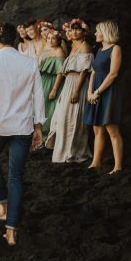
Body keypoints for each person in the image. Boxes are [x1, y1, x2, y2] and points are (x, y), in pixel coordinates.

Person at [0, 22, 45, 246]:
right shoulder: (29, 62)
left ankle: (2, 205)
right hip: (23, 126)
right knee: (16, 175)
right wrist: (39, 126)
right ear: (15, 39)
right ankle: (11, 230)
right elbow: (39, 96)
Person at [46, 19, 93, 162]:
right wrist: (64, 92)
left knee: (73, 118)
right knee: (62, 117)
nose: (74, 32)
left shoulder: (85, 47)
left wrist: (76, 91)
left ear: (84, 32)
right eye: (72, 30)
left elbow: (84, 72)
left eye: (78, 29)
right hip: (68, 84)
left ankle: (73, 152)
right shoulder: (73, 47)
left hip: (78, 84)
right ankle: (63, 150)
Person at [84, 20, 123, 173]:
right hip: (95, 91)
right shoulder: (100, 50)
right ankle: (95, 163)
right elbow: (93, 72)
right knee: (97, 129)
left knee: (112, 130)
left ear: (106, 32)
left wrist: (97, 92)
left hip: (108, 92)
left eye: (97, 30)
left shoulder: (116, 49)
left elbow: (113, 74)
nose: (95, 33)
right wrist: (89, 91)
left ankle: (118, 166)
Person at [39, 30, 65, 142]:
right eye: (48, 38)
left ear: (59, 40)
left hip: (51, 83)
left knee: (48, 109)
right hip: (43, 81)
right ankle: (39, 136)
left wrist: (54, 89)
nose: (50, 40)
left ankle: (47, 138)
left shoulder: (59, 52)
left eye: (53, 38)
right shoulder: (48, 50)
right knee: (40, 108)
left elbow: (60, 72)